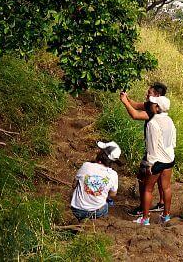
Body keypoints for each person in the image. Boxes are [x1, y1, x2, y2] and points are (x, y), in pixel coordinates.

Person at [121, 94, 176, 225]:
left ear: (157, 108)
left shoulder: (153, 123)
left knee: (148, 189)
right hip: (169, 159)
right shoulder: (169, 120)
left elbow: (151, 146)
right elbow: (172, 141)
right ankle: (166, 216)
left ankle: (145, 218)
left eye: (153, 104)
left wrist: (150, 165)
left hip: (157, 161)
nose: (150, 104)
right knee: (166, 187)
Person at [70, 141, 121, 222]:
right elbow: (113, 194)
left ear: (100, 155)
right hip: (97, 212)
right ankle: (95, 222)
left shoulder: (86, 165)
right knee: (107, 204)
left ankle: (81, 220)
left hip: (77, 210)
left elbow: (74, 185)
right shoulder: (113, 175)